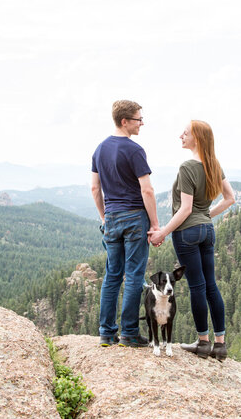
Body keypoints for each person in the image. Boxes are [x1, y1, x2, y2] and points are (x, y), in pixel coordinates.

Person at [148, 120, 235, 360]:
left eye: (185, 133)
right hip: (207, 230)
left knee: (197, 286)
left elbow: (185, 209)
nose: (180, 136)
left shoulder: (187, 166)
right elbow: (230, 199)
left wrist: (162, 232)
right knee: (211, 286)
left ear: (196, 137)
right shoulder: (214, 164)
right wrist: (206, 215)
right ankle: (220, 344)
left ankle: (203, 342)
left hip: (187, 232)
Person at [91, 100, 159, 348]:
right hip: (134, 217)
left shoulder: (99, 150)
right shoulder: (134, 150)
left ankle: (106, 334)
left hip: (112, 217)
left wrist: (104, 216)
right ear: (124, 121)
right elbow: (147, 190)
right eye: (138, 119)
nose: (142, 123)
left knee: (111, 276)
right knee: (133, 276)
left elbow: (95, 187)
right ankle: (129, 333)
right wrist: (154, 224)